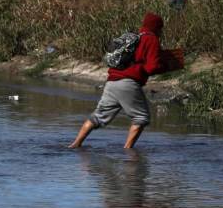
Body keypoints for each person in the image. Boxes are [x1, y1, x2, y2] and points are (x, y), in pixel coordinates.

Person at [69, 12, 166, 149]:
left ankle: (74, 145)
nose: (161, 32)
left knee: (97, 117)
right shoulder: (151, 39)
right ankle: (128, 150)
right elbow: (152, 67)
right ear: (156, 27)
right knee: (141, 118)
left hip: (111, 82)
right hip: (128, 83)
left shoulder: (135, 38)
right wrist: (165, 65)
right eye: (161, 28)